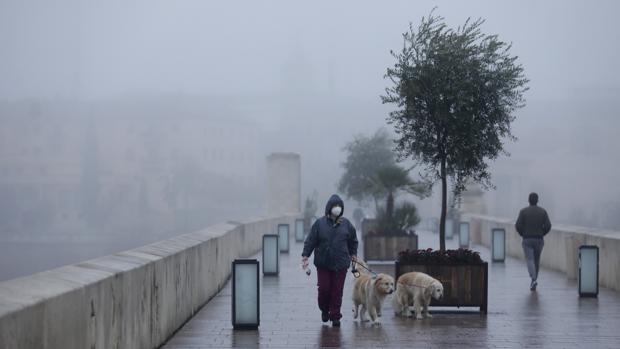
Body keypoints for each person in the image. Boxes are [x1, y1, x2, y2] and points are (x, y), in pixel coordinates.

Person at [301, 194, 358, 327]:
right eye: (335, 206)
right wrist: (305, 255)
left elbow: (353, 241)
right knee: (324, 289)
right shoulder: (319, 224)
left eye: (339, 206)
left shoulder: (347, 224)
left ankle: (335, 315)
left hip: (341, 263)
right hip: (323, 263)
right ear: (329, 208)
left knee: (337, 291)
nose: (337, 208)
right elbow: (311, 240)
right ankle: (324, 309)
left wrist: (353, 254)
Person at [515, 192, 552, 291]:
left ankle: (533, 278)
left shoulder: (523, 212)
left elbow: (518, 225)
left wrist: (523, 234)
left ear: (529, 200)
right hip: (539, 239)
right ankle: (534, 280)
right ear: (537, 200)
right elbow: (548, 226)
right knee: (536, 260)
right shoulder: (543, 212)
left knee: (530, 260)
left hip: (527, 239)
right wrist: (542, 233)